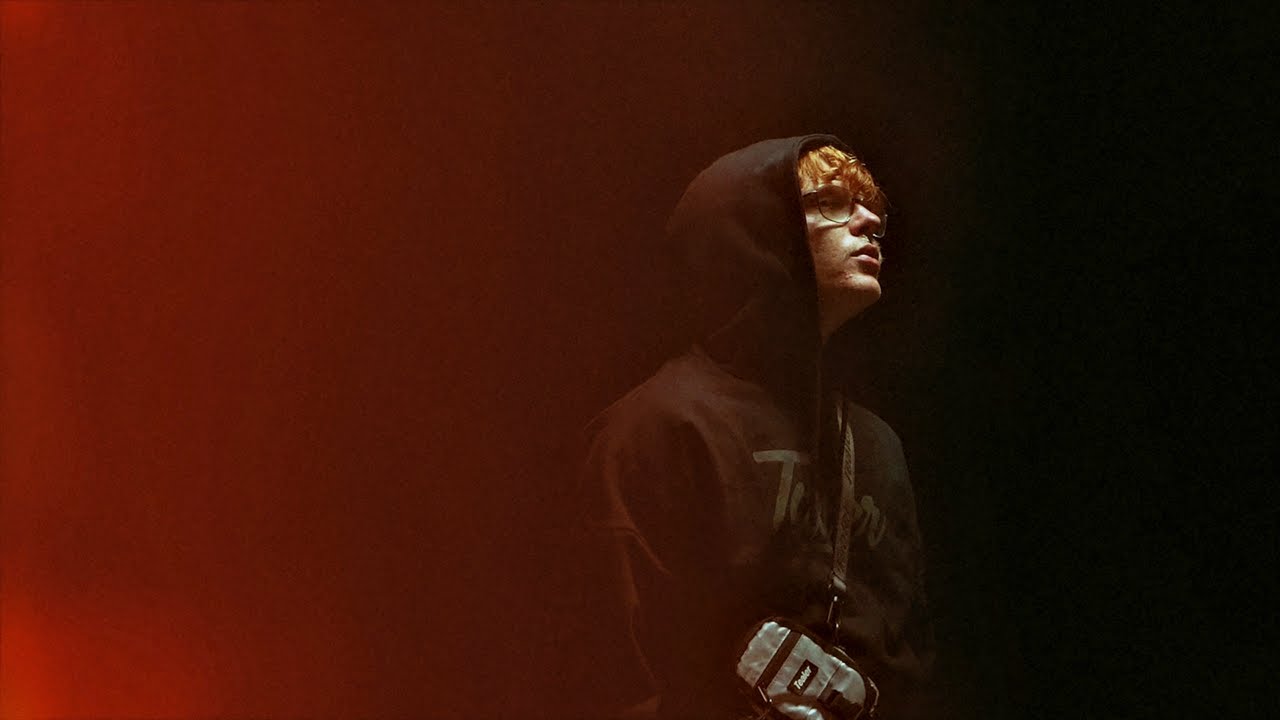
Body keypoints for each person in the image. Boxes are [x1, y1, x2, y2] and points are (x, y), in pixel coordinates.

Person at [566, 135, 934, 719]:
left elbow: (907, 659)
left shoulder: (877, 446)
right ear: (754, 230)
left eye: (872, 209)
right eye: (830, 202)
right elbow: (612, 662)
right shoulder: (659, 425)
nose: (868, 223)